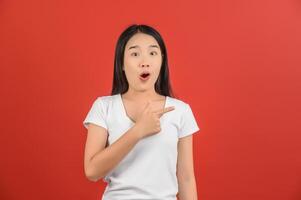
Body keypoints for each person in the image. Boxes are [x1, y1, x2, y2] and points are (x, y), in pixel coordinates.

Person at [83, 24, 200, 200]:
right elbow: (92, 171)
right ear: (121, 63)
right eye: (135, 53)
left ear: (161, 60)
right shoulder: (103, 107)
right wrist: (138, 131)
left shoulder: (180, 111)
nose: (144, 61)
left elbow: (186, 179)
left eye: (152, 53)